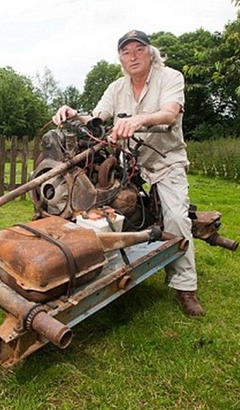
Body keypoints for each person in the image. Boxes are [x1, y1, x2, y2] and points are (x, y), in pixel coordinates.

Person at [52, 30, 205, 317]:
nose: (132, 56)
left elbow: (170, 114)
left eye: (138, 49)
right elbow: (98, 120)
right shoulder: (117, 88)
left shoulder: (170, 77)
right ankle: (99, 269)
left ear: (150, 53)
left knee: (175, 217)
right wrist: (73, 113)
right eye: (126, 52)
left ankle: (186, 288)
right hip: (128, 162)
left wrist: (139, 120)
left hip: (164, 161)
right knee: (101, 209)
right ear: (120, 58)